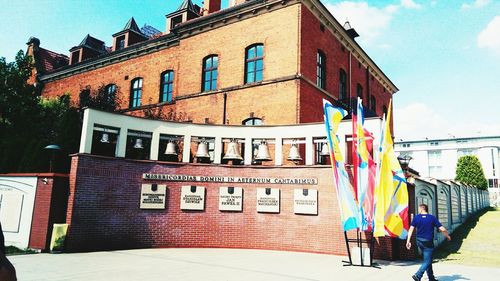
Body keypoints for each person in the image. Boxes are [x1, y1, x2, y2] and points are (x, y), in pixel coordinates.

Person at [406, 203, 451, 281]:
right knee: (428, 260)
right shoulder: (432, 218)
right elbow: (442, 229)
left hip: (419, 241)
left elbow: (411, 229)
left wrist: (408, 240)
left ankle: (431, 278)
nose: (419, 210)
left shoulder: (416, 218)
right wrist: (448, 236)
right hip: (428, 242)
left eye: (419, 209)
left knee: (427, 259)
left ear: (422, 209)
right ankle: (418, 275)